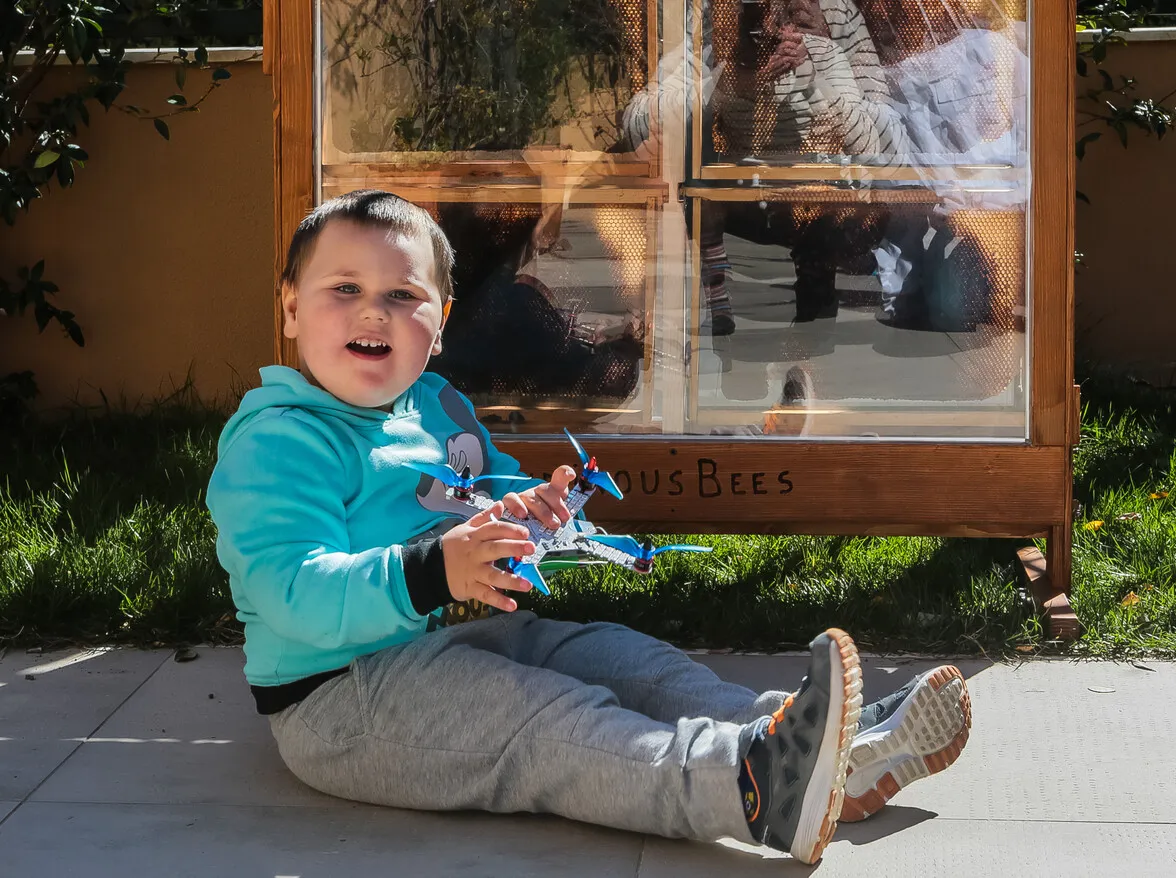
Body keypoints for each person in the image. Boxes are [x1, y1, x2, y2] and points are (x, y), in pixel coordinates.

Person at [205, 189, 971, 864]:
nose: (374, 311)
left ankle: (811, 740)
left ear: (438, 323)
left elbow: (489, 497)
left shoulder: (435, 407)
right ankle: (748, 787)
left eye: (403, 296)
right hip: (344, 694)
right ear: (291, 306)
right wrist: (435, 570)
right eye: (345, 288)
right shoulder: (282, 439)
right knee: (548, 725)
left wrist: (536, 510)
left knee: (618, 656)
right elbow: (289, 588)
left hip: (466, 635)